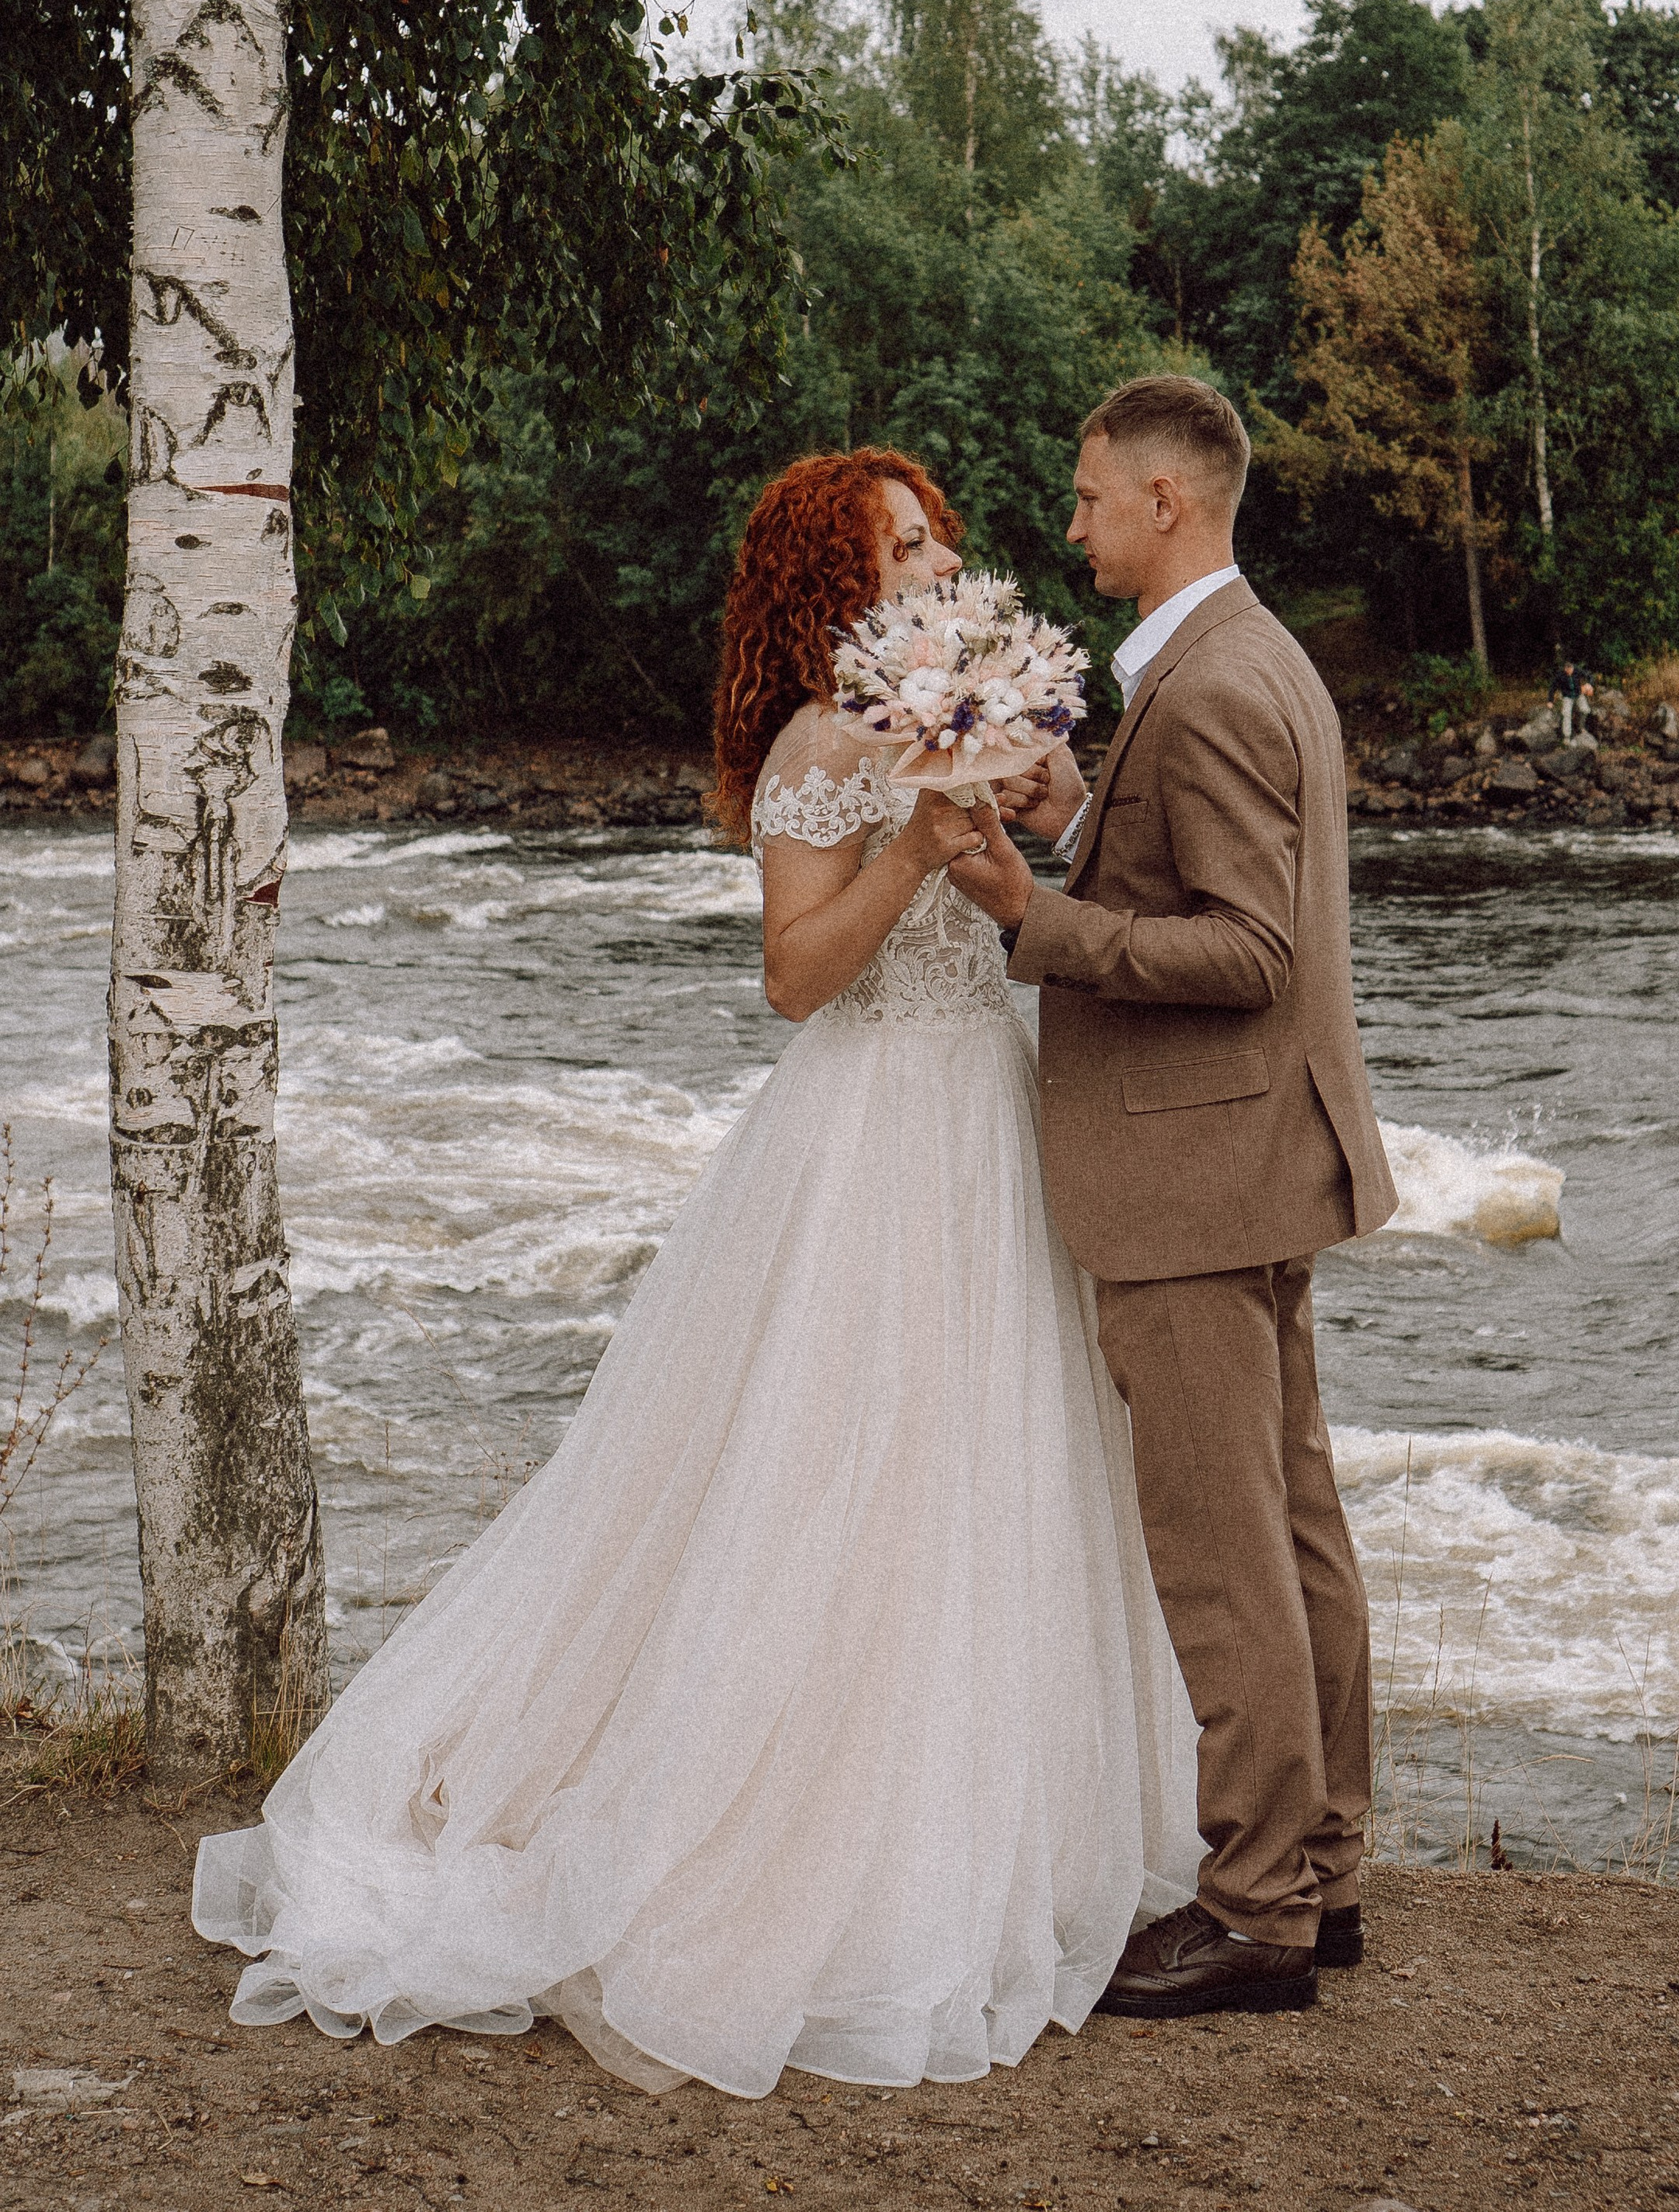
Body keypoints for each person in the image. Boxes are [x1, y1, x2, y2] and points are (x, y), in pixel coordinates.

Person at [192, 446, 1200, 2097]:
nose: (935, 559)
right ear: (832, 583)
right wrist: (910, 845)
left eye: (939, 536)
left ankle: (990, 1817)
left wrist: (1026, 815)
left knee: (997, 1471)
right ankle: (781, 1836)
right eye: (897, 544)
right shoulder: (817, 748)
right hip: (867, 1134)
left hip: (993, 1133)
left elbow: (1071, 898)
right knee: (836, 1479)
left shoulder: (993, 715)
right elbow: (795, 979)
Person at [952, 375, 1400, 2019]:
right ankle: (1323, 1874)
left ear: (1165, 501)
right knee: (1293, 1535)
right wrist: (1077, 822)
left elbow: (1246, 951)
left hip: (1193, 1173)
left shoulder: (1206, 688)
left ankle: (1256, 1911)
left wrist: (1031, 921)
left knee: (1223, 1556)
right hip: (1254, 1155)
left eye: (1085, 496)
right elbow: (1214, 882)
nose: (1068, 525)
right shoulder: (1244, 656)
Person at [1552, 654, 1594, 744]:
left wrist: (1589, 685)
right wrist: (1550, 700)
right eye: (1567, 670)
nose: (1569, 672)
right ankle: (1567, 737)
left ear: (1573, 668)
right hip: (1567, 697)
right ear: (1565, 669)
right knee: (1566, 714)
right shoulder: (1560, 675)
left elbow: (1589, 676)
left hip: (1578, 694)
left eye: (1571, 669)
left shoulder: (1577, 671)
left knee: (1586, 710)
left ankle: (1581, 727)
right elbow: (1553, 687)